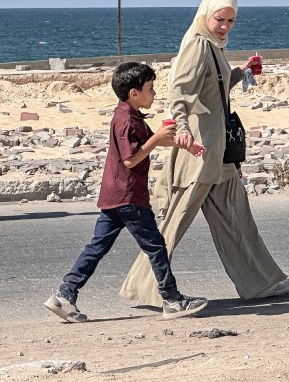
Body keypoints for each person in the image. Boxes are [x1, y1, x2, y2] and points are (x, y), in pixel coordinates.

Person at [119, 0, 289, 306]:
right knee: (175, 221)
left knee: (236, 219)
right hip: (198, 150)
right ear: (205, 15)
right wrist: (182, 130)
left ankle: (262, 283)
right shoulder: (197, 45)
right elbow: (179, 92)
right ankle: (145, 287)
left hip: (219, 152)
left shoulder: (214, 46)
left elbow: (214, 89)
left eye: (230, 20)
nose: (224, 25)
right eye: (219, 18)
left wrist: (242, 71)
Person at [44, 62, 209, 322]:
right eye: (150, 89)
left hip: (114, 196)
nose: (154, 94)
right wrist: (156, 139)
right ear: (134, 93)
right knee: (156, 247)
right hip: (129, 196)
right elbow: (131, 159)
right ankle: (172, 299)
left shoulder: (129, 117)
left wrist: (185, 145)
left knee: (97, 247)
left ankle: (65, 295)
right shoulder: (124, 121)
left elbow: (149, 143)